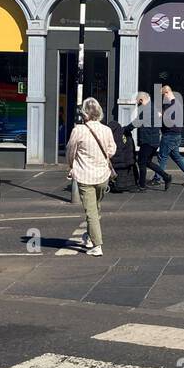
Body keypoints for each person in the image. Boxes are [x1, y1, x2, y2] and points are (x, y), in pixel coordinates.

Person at [67, 97, 117, 255]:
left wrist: (72, 165)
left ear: (84, 114)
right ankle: (89, 236)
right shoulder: (106, 130)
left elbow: (70, 151)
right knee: (95, 207)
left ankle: (97, 245)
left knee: (91, 212)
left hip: (85, 175)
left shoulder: (78, 130)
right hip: (103, 175)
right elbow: (112, 150)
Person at [157, 84, 184, 186]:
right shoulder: (177, 103)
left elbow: (169, 121)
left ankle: (157, 178)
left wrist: (161, 116)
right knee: (176, 157)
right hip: (176, 134)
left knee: (162, 157)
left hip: (169, 135)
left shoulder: (171, 105)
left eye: (162, 96)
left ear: (166, 93)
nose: (162, 98)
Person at [132, 91, 170, 191]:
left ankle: (142, 185)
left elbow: (136, 123)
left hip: (148, 140)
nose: (137, 104)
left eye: (138, 102)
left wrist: (124, 129)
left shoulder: (147, 109)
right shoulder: (152, 107)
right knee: (147, 162)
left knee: (141, 162)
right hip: (154, 141)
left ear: (141, 100)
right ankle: (166, 177)